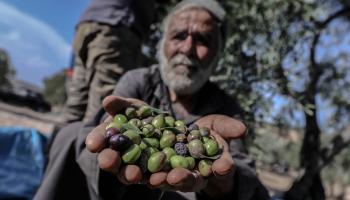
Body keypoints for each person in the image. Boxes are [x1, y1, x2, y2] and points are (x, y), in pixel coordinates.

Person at [34, 0, 270, 199]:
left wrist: (225, 182)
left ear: (218, 54)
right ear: (162, 44)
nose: (187, 48)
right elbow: (92, 140)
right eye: (179, 36)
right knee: (69, 134)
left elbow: (251, 183)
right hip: (119, 192)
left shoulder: (226, 108)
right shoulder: (138, 81)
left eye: (202, 40)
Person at [63, 0, 167, 123]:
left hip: (88, 22)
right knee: (104, 108)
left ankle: (63, 139)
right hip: (118, 24)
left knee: (76, 103)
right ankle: (83, 140)